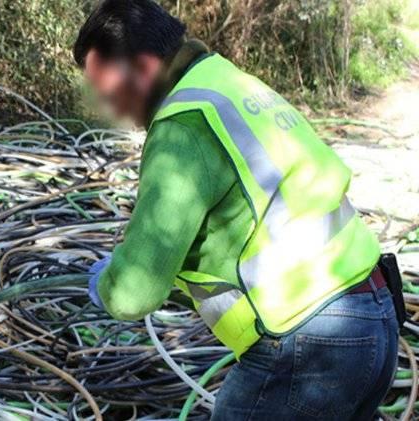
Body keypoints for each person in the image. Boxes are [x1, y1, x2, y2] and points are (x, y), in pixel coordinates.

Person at [74, 1, 399, 419]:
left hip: (310, 344)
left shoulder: (183, 126)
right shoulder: (227, 84)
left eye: (111, 92)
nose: (112, 109)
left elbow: (134, 294)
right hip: (374, 320)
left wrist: (108, 286)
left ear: (144, 66)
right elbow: (243, 227)